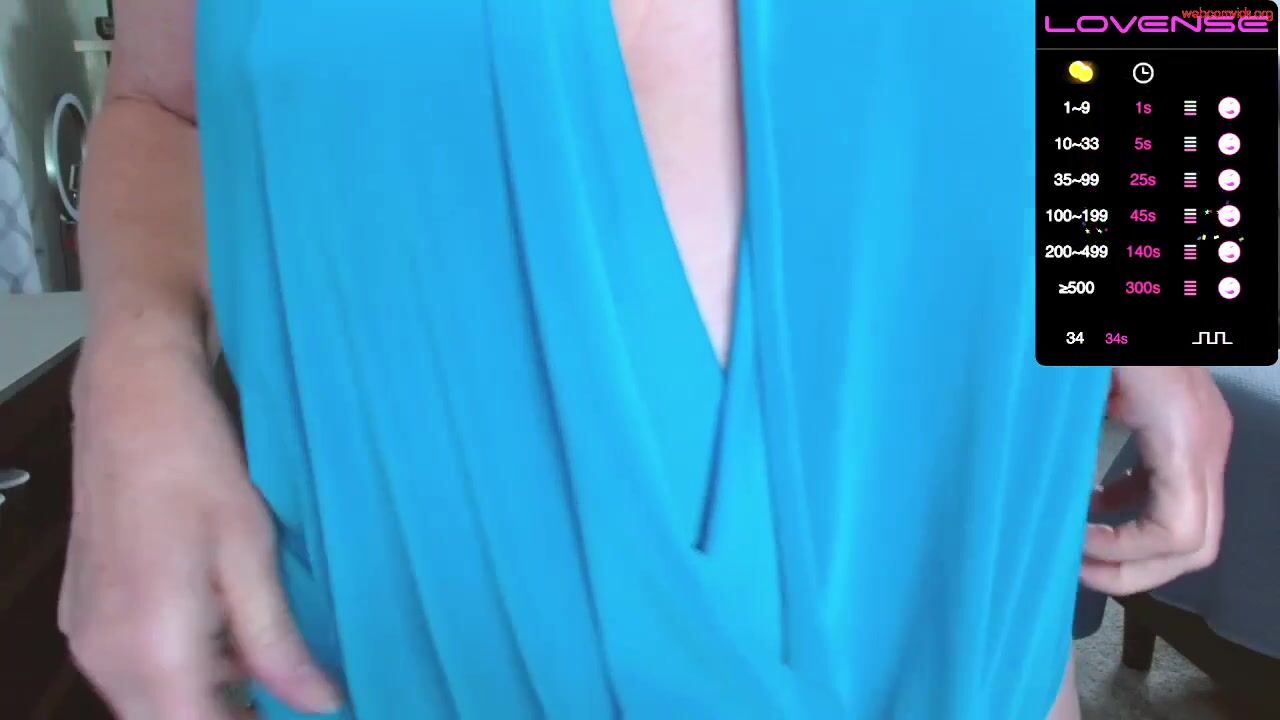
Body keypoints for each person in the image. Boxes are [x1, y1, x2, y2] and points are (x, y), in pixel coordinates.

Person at [61, 2, 1232, 718]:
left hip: (962, 604)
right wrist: (132, 366)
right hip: (409, 635)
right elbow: (163, 102)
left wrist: (1165, 292)